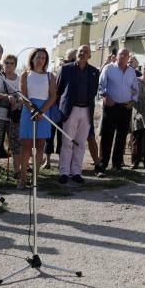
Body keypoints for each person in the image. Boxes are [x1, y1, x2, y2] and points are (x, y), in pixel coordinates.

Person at [56, 45, 99, 185]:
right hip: (70, 110)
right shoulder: (66, 69)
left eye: (86, 52)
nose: (83, 53)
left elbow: (94, 91)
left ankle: (76, 172)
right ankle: (64, 172)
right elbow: (58, 90)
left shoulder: (94, 72)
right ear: (77, 53)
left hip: (86, 110)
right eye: (81, 51)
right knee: (67, 142)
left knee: (80, 143)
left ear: (90, 56)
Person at [18, 48, 56, 190]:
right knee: (27, 145)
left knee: (40, 145)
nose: (40, 60)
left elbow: (53, 96)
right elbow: (23, 95)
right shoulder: (25, 75)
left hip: (44, 111)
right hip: (29, 111)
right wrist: (33, 109)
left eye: (43, 58)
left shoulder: (49, 76)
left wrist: (42, 111)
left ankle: (35, 178)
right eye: (38, 57)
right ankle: (22, 178)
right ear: (32, 58)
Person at [97, 48, 138, 176]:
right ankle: (103, 163)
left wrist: (133, 101)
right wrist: (105, 96)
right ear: (117, 56)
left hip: (125, 107)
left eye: (126, 55)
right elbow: (101, 86)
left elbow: (135, 89)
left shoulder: (131, 72)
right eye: (121, 54)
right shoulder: (109, 68)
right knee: (107, 135)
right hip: (111, 106)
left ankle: (117, 164)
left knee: (121, 136)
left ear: (128, 57)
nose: (124, 56)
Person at [0, 53, 21, 178]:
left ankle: (18, 171)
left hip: (13, 115)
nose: (9, 65)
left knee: (15, 143)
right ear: (2, 64)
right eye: (6, 62)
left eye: (12, 63)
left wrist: (17, 104)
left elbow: (22, 97)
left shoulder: (19, 79)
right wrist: (6, 96)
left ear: (15, 65)